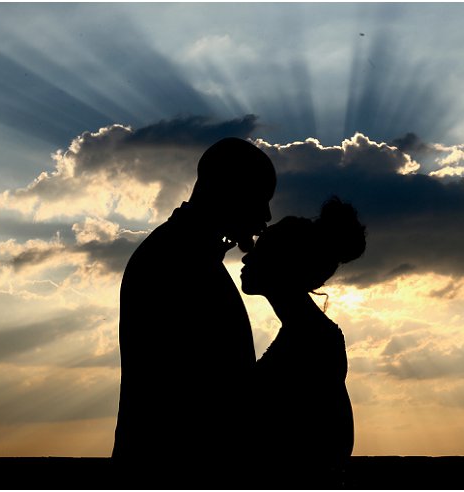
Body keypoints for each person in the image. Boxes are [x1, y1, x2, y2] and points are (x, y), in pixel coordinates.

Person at [112, 137, 276, 486]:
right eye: (260, 198)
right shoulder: (178, 260)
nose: (266, 216)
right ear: (229, 191)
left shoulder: (180, 252)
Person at [241, 196, 365, 488]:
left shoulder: (314, 341)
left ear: (282, 266)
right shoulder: (313, 334)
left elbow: (329, 447)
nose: (246, 257)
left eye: (261, 251)